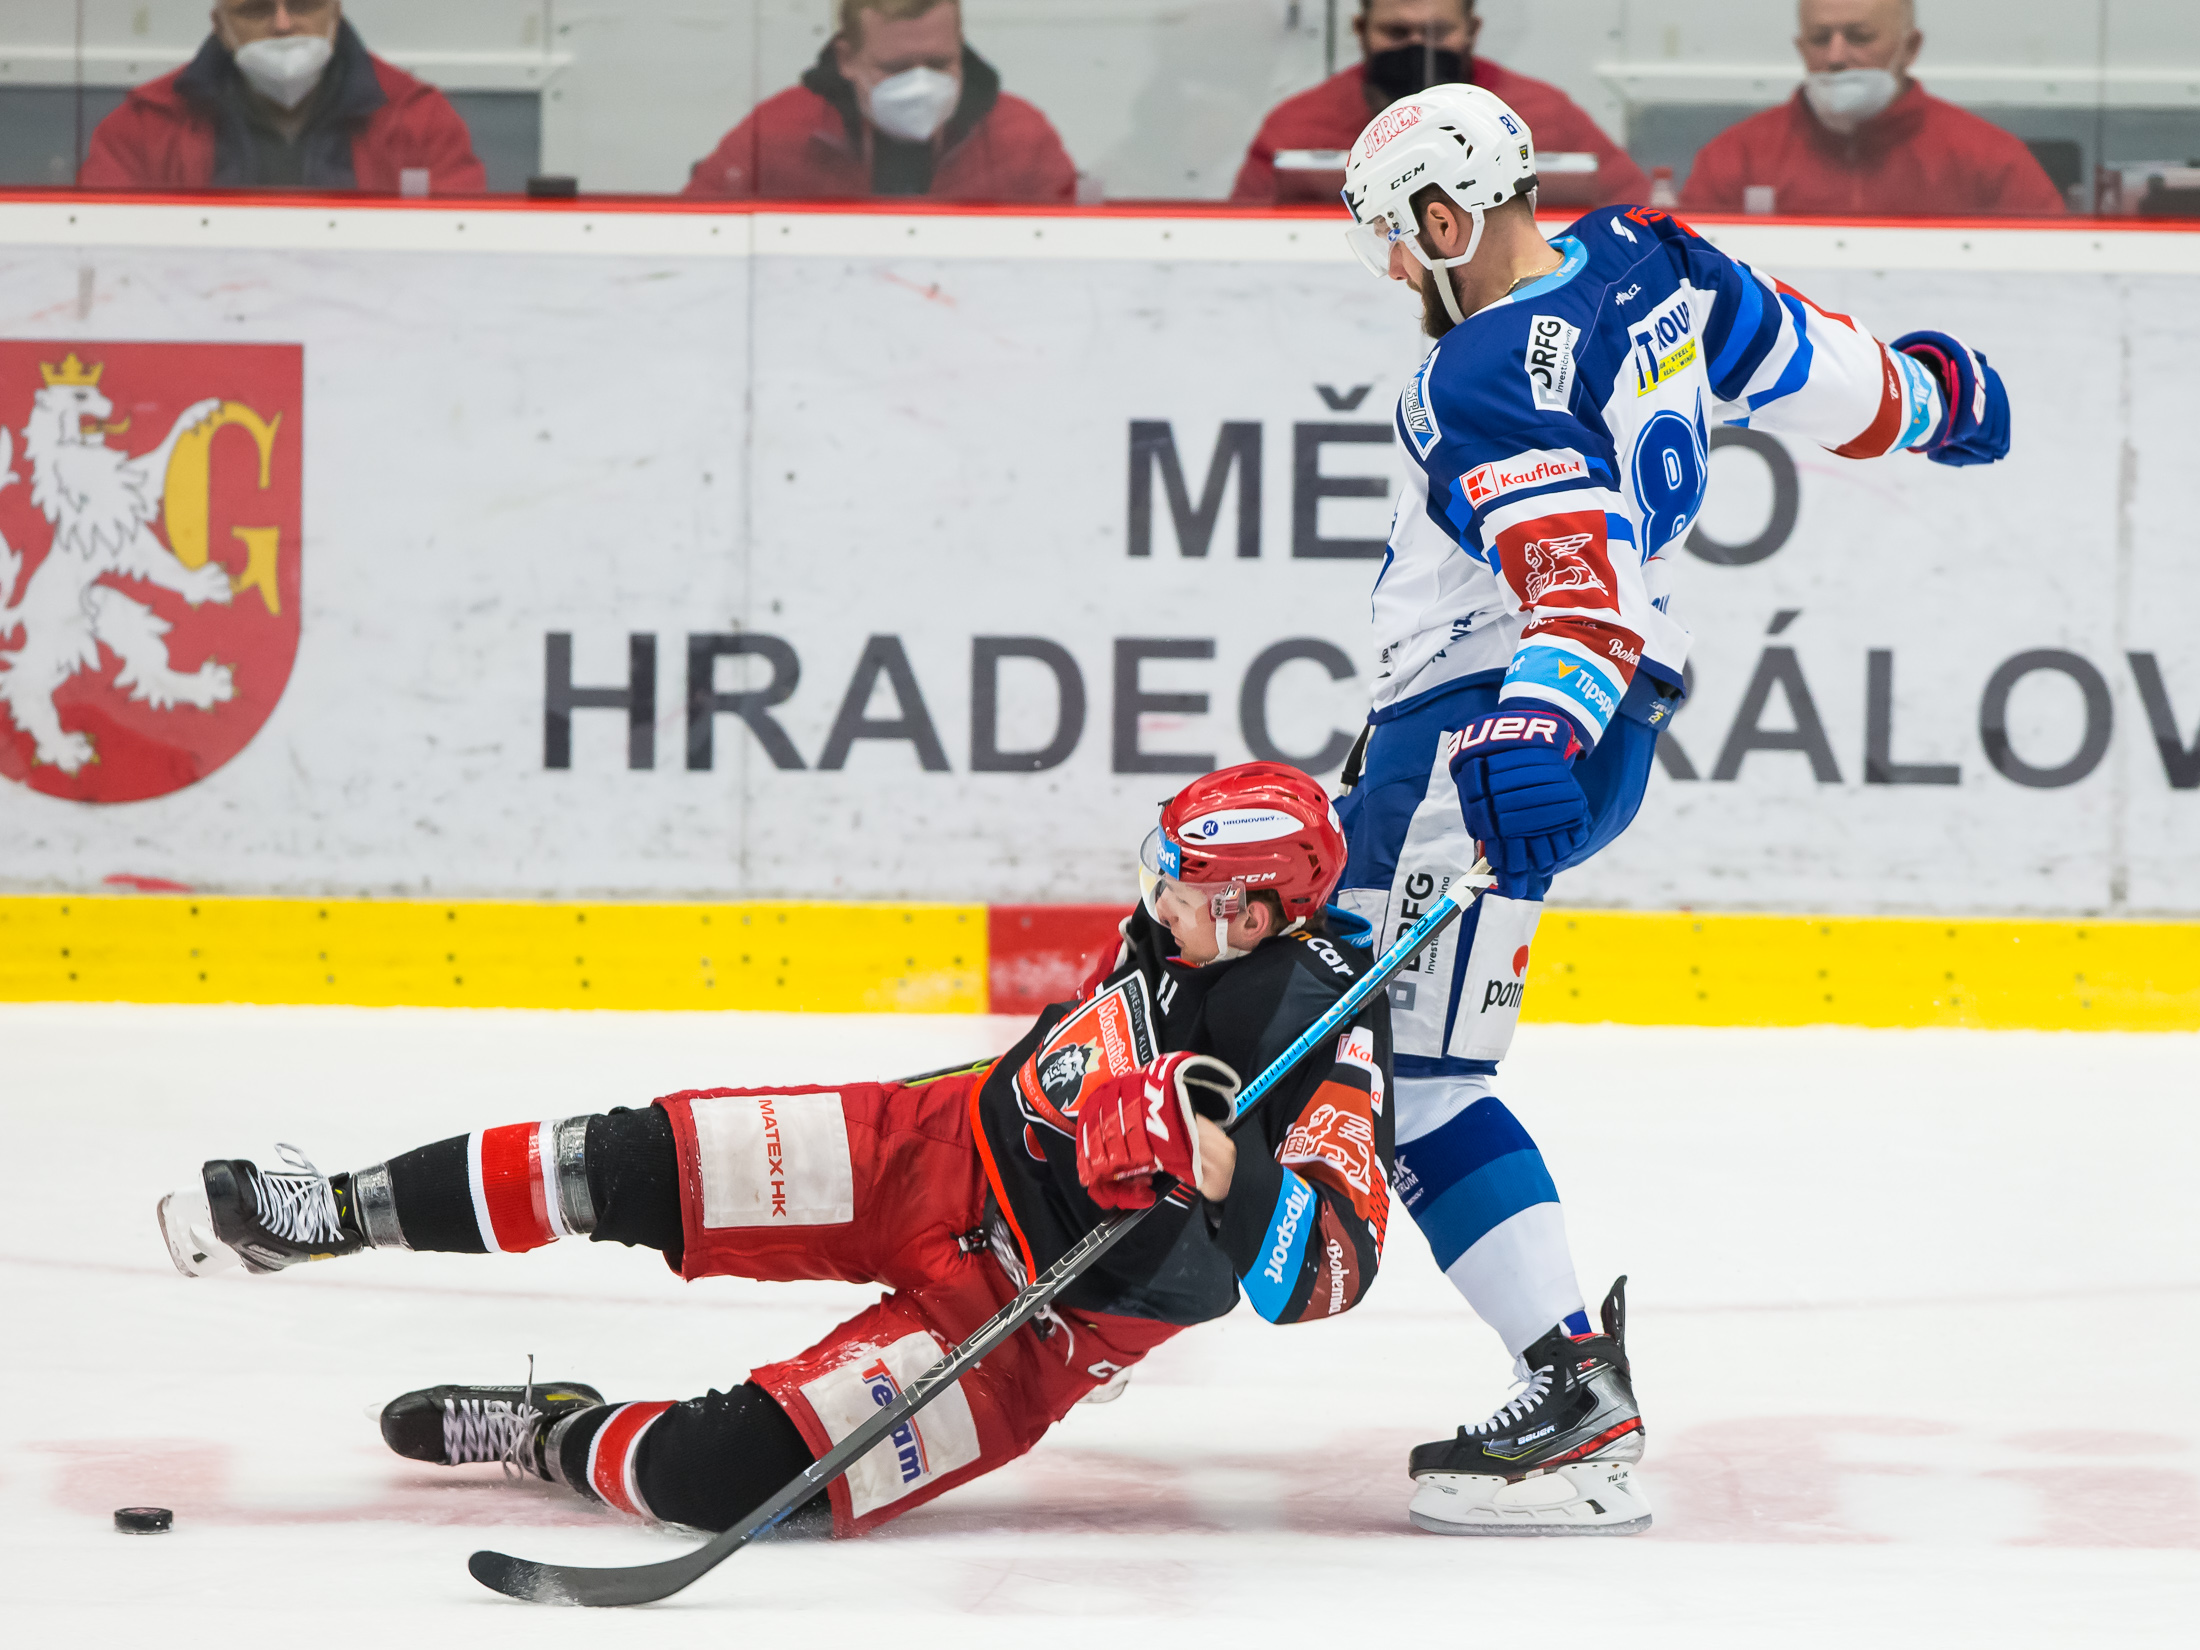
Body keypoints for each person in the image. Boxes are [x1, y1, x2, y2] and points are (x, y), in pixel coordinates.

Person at [1332, 82, 2010, 1534]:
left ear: (1446, 219)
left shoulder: (1477, 370)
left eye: (1394, 233)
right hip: (1599, 722)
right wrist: (1931, 403)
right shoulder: (1654, 259)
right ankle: (1559, 1373)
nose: (1391, 265)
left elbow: (1575, 591)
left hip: (1484, 733)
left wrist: (1529, 727)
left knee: (1402, 1071)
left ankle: (1569, 1393)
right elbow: (1816, 367)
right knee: (1386, 1034)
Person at [156, 764, 1394, 1538]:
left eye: (1183, 890)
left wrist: (1220, 1166)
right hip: (931, 1147)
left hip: (1035, 1324)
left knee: (722, 1482)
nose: (1154, 903)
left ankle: (547, 1433)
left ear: (1255, 914)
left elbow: (1328, 1271)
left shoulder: (1327, 1036)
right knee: (615, 1163)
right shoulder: (1173, 929)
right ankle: (327, 1211)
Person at [1231, 0, 1643, 208]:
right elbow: (1243, 232)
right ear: (1360, 29)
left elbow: (1633, 209)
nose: (1417, 47)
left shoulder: (1539, 115)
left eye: (1437, 33)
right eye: (1397, 32)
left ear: (1472, 30)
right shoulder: (1299, 125)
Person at [1680, 0, 2063, 217]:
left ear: (1910, 48)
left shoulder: (1991, 161)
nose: (1835, 56)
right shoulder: (1734, 159)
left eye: (1859, 37)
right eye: (1819, 39)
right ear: (1800, 48)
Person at [682, 0, 1075, 204]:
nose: (920, 84)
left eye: (940, 63)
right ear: (847, 60)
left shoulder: (1020, 139)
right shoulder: (777, 135)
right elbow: (696, 236)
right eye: (895, 67)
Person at [79, 0, 484, 195]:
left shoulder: (418, 120)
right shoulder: (144, 127)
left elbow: (459, 263)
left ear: (335, 12)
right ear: (221, 26)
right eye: (255, 10)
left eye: (304, 5)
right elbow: (104, 262)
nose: (283, 24)